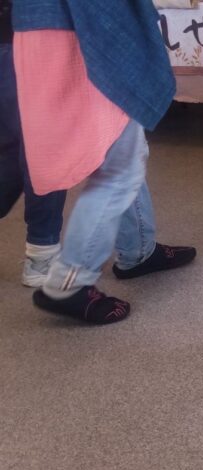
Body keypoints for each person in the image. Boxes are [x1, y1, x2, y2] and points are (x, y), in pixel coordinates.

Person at [12, 0, 195, 324]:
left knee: (123, 147)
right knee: (119, 171)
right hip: (83, 29)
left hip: (45, 27)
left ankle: (138, 249)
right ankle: (69, 283)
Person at [0, 0, 68, 288]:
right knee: (46, 151)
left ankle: (42, 255)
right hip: (28, 39)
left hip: (10, 39)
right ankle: (42, 257)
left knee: (11, 149)